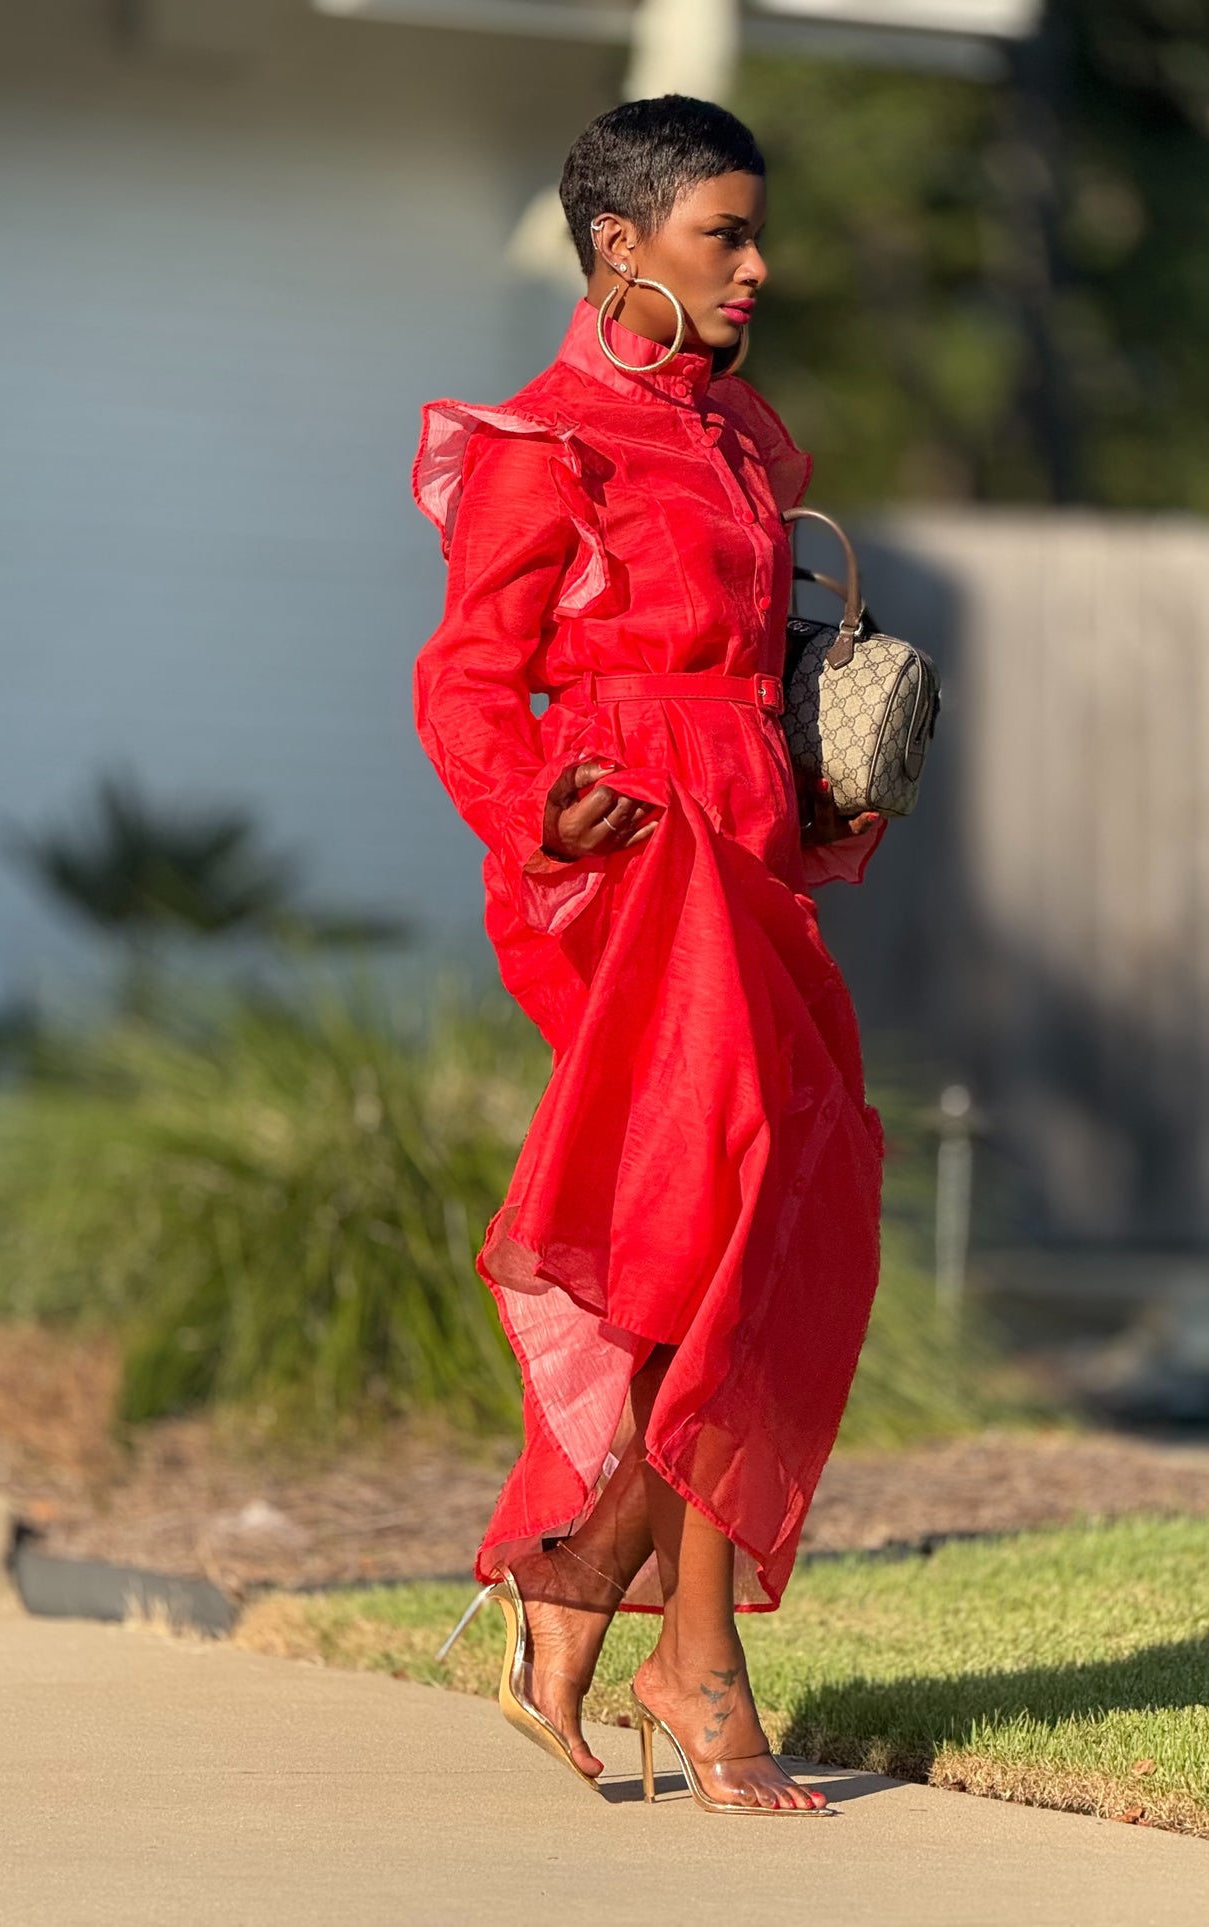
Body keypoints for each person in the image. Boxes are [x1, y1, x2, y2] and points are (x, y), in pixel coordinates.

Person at [412, 95, 885, 1815]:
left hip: (748, 843)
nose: (758, 267)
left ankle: (575, 1578)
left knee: (771, 1212)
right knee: (719, 1213)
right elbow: (469, 675)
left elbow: (762, 661)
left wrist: (825, 784)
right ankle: (700, 1666)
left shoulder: (747, 436)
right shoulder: (544, 442)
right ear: (619, 246)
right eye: (722, 237)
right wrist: (542, 811)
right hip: (613, 859)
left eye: (756, 236)